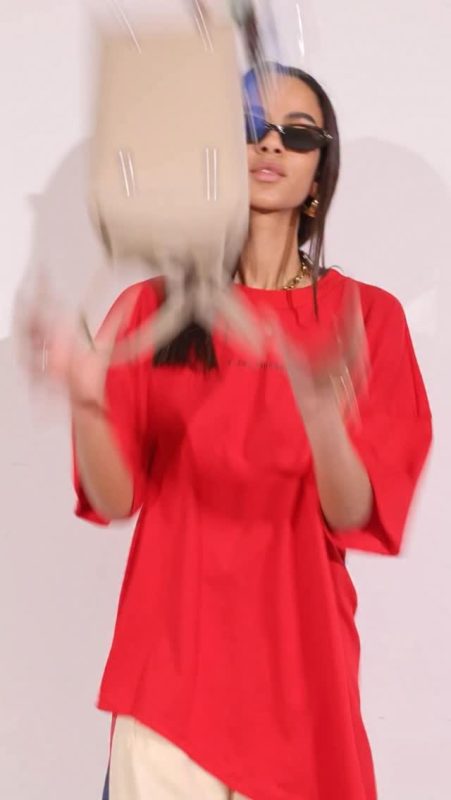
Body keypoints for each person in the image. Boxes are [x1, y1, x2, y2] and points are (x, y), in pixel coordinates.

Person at [27, 64, 432, 800]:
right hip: (167, 688)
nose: (270, 144)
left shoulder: (366, 319)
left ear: (319, 173)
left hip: (301, 681)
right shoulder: (153, 309)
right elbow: (115, 499)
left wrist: (322, 416)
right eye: (249, 127)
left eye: (297, 134)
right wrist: (88, 401)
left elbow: (352, 513)